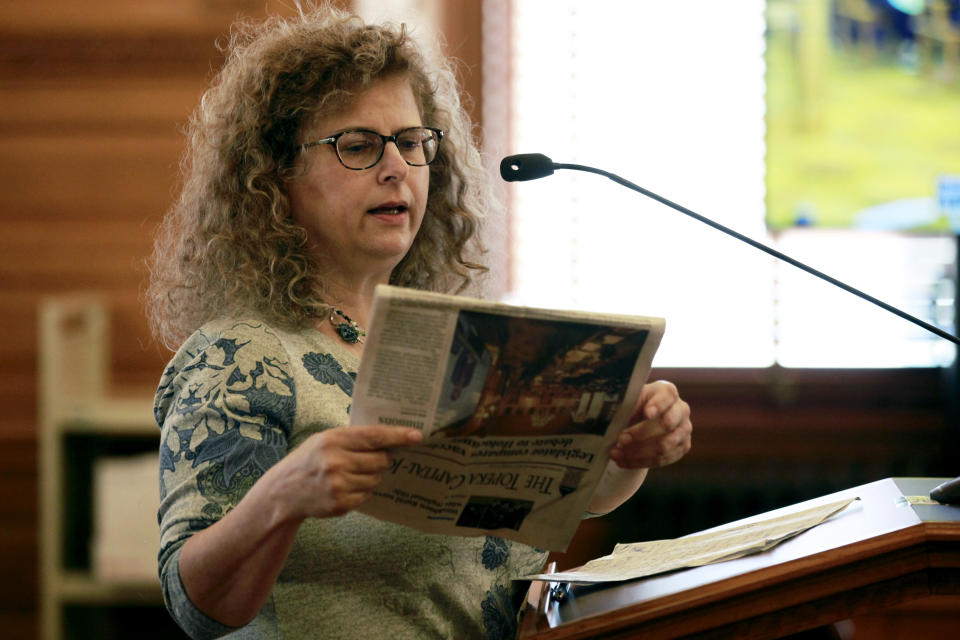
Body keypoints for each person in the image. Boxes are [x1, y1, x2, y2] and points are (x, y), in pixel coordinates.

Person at [147, 5, 692, 639]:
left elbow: (569, 496)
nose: (396, 168)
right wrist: (283, 497)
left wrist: (627, 449)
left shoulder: (459, 337)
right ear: (274, 176)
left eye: (410, 142)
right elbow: (194, 606)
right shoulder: (239, 357)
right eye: (357, 146)